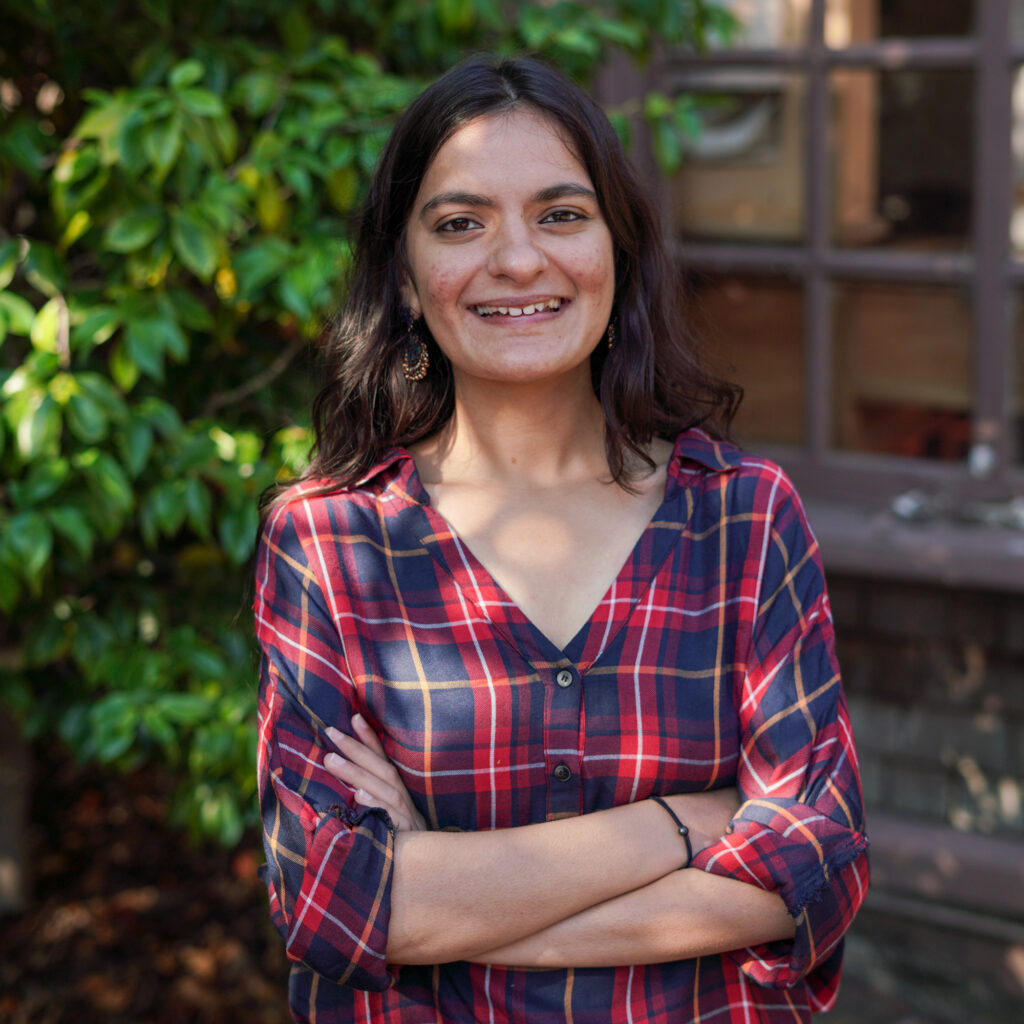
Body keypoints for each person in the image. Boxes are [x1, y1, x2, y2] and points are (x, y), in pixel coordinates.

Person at [254, 55, 868, 1024]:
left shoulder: (744, 520)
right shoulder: (329, 541)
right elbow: (331, 900)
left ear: (616, 248)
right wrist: (678, 824)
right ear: (406, 278)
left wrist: (441, 897)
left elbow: (814, 865)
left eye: (561, 214)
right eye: (460, 223)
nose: (517, 260)